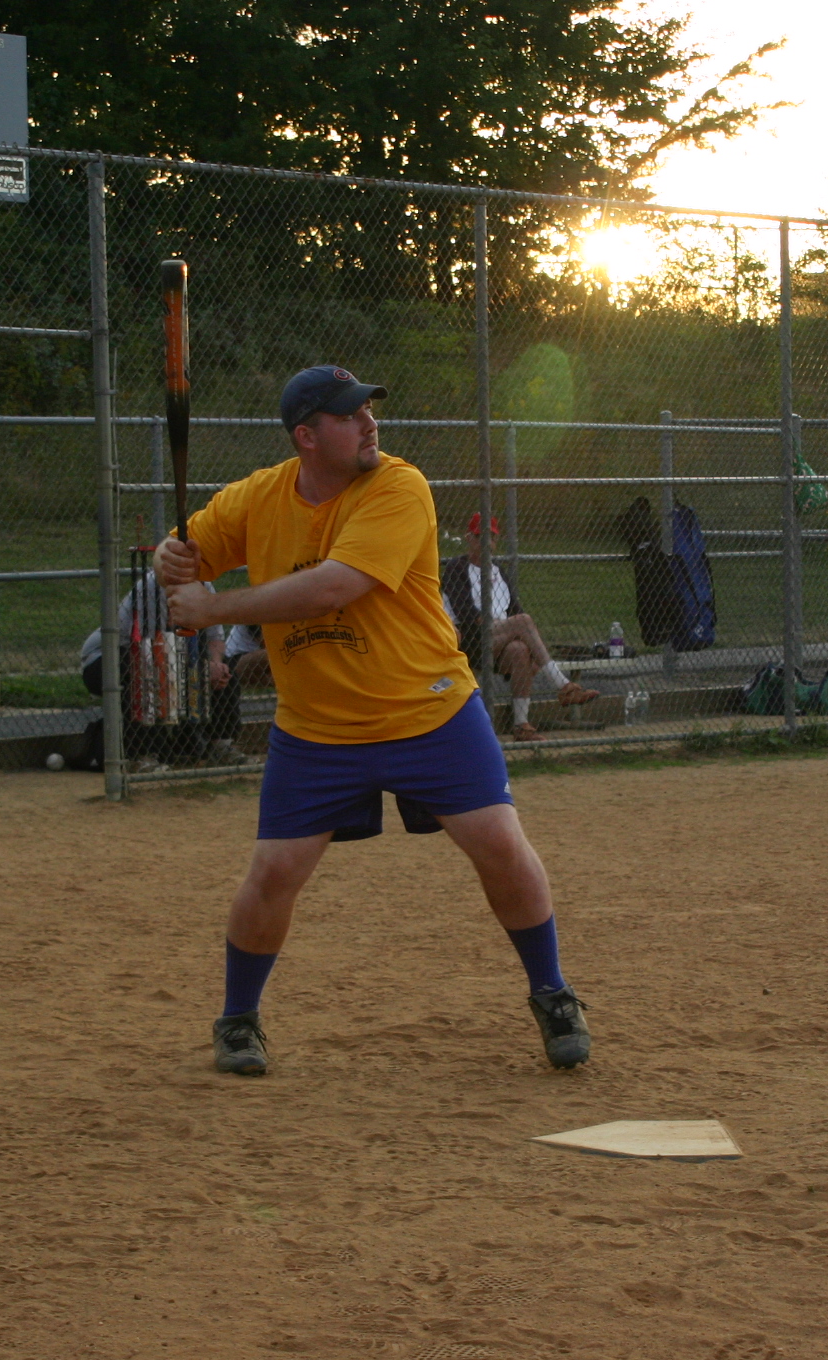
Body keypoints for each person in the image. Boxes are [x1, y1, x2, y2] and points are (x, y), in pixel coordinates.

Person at [158, 364, 591, 1077]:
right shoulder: (258, 499)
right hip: (318, 729)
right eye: (347, 415)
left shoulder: (398, 486)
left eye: (368, 411)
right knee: (274, 872)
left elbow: (334, 588)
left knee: (500, 845)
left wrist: (214, 608)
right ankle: (238, 1019)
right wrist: (177, 566)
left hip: (428, 709)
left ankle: (553, 992)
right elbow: (182, 564)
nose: (368, 424)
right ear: (307, 436)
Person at [441, 513, 599, 741]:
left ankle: (521, 725)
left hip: (498, 641)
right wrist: (504, 625)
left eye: (491, 538)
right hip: (469, 639)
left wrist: (521, 639)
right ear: (469, 538)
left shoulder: (498, 571)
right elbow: (465, 613)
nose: (486, 543)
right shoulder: (457, 567)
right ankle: (563, 686)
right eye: (479, 537)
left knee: (520, 650)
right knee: (522, 622)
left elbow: (514, 609)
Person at [80, 569, 245, 768]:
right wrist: (199, 668)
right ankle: (139, 755)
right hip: (107, 658)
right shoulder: (153, 587)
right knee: (148, 674)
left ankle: (221, 746)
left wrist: (216, 664)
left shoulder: (204, 585)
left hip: (167, 655)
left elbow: (214, 638)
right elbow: (153, 648)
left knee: (226, 672)